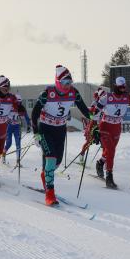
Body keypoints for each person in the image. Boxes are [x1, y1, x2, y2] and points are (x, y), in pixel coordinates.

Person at [31, 65, 92, 206]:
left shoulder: (73, 93)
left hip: (60, 130)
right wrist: (36, 134)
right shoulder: (47, 93)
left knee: (56, 163)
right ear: (58, 81)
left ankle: (45, 174)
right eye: (65, 82)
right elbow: (34, 113)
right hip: (46, 129)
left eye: (70, 82)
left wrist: (94, 117)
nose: (68, 85)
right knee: (51, 159)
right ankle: (50, 194)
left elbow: (83, 108)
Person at [93, 76, 130, 188]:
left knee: (110, 150)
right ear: (115, 86)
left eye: (124, 87)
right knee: (110, 151)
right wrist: (94, 128)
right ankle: (109, 177)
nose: (122, 89)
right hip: (105, 127)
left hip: (116, 127)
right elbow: (95, 112)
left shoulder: (127, 97)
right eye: (120, 87)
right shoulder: (107, 97)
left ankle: (100, 163)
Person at [2, 93, 31, 163]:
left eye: (20, 102)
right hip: (9, 127)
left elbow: (27, 117)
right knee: (9, 143)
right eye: (17, 102)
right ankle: (3, 155)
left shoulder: (22, 108)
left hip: (17, 127)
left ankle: (18, 160)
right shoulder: (9, 107)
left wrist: (29, 126)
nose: (18, 104)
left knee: (18, 143)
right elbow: (3, 115)